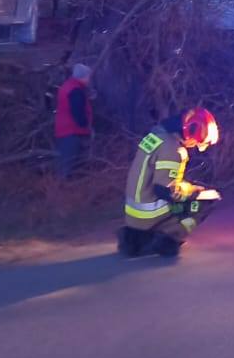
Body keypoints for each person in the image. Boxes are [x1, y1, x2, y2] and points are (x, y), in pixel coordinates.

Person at [119, 107, 220, 258]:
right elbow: (165, 189)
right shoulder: (174, 149)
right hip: (149, 213)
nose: (196, 146)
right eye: (197, 142)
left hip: (133, 213)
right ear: (191, 133)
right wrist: (196, 192)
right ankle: (168, 239)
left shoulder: (156, 136)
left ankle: (137, 238)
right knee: (204, 203)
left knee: (186, 197)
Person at [53, 63, 94, 177]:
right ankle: (63, 184)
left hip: (64, 130)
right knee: (69, 164)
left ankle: (62, 182)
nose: (89, 79)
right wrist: (85, 124)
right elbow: (78, 111)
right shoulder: (75, 90)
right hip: (71, 131)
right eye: (88, 76)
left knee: (65, 161)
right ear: (83, 76)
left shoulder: (68, 86)